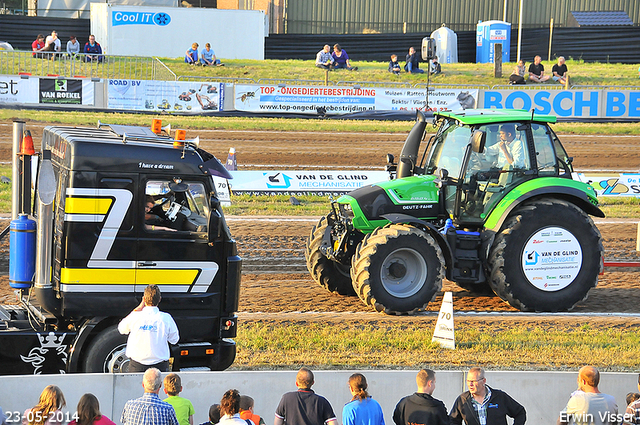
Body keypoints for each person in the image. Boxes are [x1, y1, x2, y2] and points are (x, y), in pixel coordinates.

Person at [117, 284, 179, 372]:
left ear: (144, 299)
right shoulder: (166, 318)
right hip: (159, 366)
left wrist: (138, 308)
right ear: (159, 299)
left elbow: (121, 329)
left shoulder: (135, 316)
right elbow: (174, 340)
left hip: (136, 365)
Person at [449, 367, 526, 425]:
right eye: (468, 381)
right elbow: (452, 421)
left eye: (474, 381)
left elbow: (520, 412)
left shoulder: (499, 396)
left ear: (484, 381)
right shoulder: (462, 400)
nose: (470, 384)